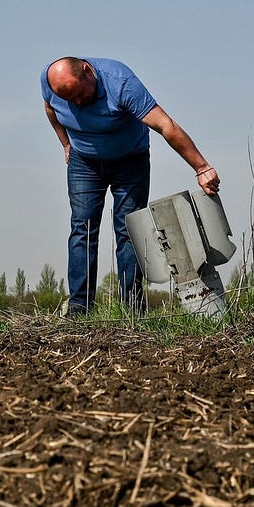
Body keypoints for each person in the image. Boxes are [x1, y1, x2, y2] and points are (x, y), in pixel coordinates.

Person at [41, 56, 220, 316]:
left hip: (130, 162)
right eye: (70, 100)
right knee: (83, 228)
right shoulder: (51, 82)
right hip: (85, 164)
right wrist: (66, 143)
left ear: (88, 72)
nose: (77, 103)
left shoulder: (121, 84)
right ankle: (79, 308)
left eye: (80, 94)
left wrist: (201, 168)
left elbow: (165, 125)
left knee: (128, 230)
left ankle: (133, 310)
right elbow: (50, 109)